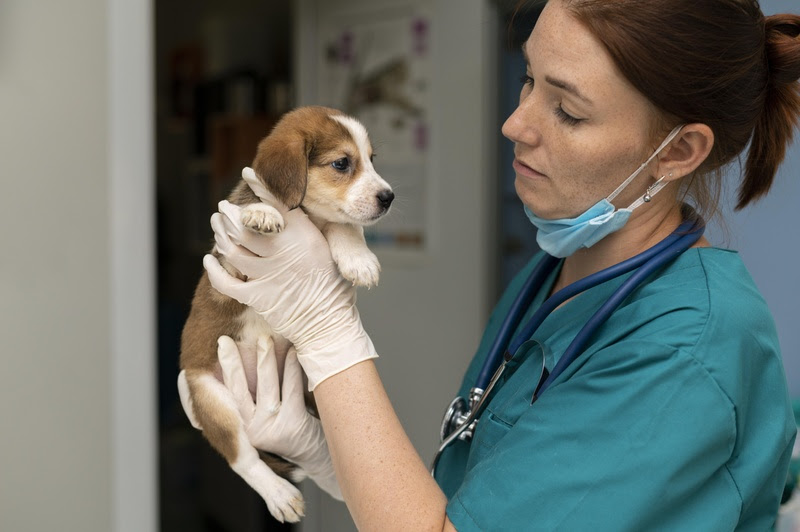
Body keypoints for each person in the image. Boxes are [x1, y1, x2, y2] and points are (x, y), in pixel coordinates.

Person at [187, 0, 800, 529]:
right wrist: (325, 455)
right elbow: (467, 505)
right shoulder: (553, 280)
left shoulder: (683, 355)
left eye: (568, 111)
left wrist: (328, 333)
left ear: (680, 151)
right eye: (530, 79)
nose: (515, 123)